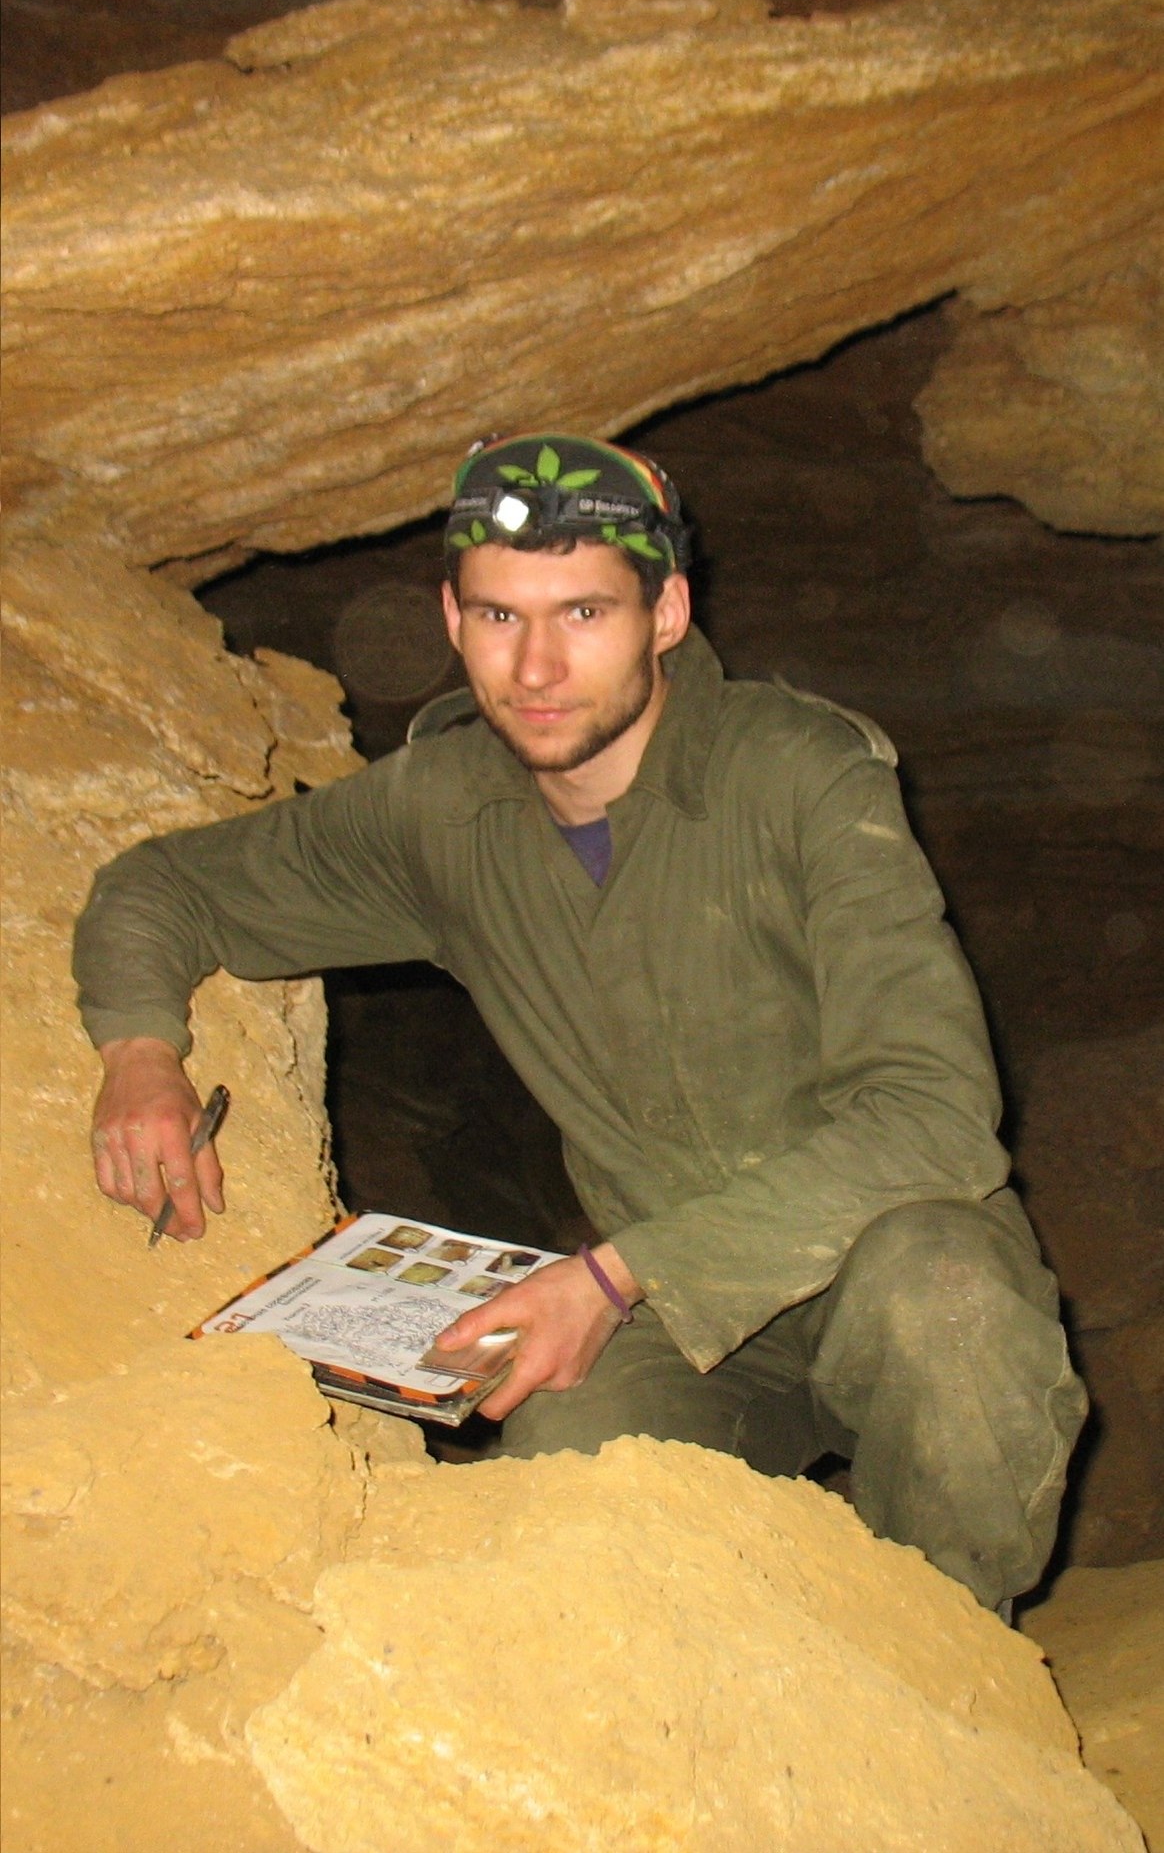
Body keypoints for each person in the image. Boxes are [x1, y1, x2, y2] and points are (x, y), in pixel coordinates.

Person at [74, 432, 1087, 1612]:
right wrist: (139, 1051)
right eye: (501, 617)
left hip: (872, 1252)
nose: (538, 665)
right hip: (676, 1316)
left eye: (585, 613)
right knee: (560, 1473)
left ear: (667, 614)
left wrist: (610, 1277)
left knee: (947, 1305)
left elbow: (936, 1115)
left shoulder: (797, 774)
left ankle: (952, 1645)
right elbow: (164, 886)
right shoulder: (442, 814)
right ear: (452, 620)